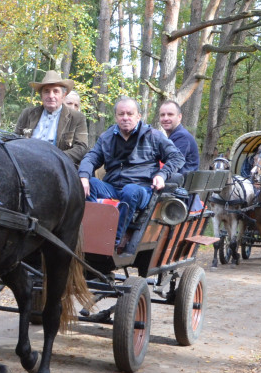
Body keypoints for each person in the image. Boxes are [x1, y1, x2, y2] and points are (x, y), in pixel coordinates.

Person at [79, 96, 185, 250]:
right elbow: (91, 158)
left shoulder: (153, 136)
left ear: (138, 116)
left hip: (141, 189)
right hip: (113, 187)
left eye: (130, 114)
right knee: (90, 184)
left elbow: (177, 157)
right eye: (121, 114)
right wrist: (83, 176)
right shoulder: (107, 138)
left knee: (130, 191)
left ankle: (114, 239)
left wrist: (162, 175)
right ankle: (91, 232)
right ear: (116, 117)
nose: (125, 118)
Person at [15, 70, 90, 166]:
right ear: (41, 96)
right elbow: (15, 139)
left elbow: (82, 148)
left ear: (63, 95)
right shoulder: (27, 114)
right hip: (25, 164)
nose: (51, 96)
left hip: (58, 168)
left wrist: (56, 158)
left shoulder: (76, 117)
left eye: (55, 91)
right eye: (46, 91)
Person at [157, 100, 199, 174]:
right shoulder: (176, 136)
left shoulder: (182, 137)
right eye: (162, 115)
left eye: (170, 114)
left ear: (179, 117)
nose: (165, 118)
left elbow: (172, 164)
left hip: (178, 184)